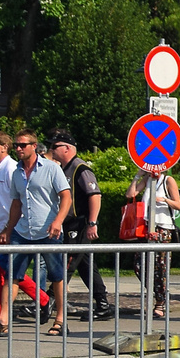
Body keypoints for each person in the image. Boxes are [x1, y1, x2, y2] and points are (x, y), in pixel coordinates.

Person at [1, 130, 71, 336]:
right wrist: (8, 228)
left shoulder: (51, 168)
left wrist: (58, 221)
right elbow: (16, 203)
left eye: (23, 145)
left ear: (34, 146)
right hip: (23, 231)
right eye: (16, 145)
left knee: (57, 276)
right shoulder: (17, 172)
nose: (19, 149)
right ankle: (2, 319)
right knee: (11, 275)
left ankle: (60, 319)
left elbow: (66, 197)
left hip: (49, 231)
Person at [0, 132, 48, 334]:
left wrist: (8, 228)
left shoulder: (11, 169)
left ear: (4, 147)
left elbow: (17, 203)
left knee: (8, 272)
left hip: (7, 230)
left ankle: (0, 317)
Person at [47, 130, 113, 321]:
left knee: (67, 262)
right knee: (86, 266)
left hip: (80, 223)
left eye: (54, 147)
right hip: (71, 224)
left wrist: (92, 223)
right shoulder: (64, 168)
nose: (51, 150)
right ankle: (102, 306)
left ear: (67, 148)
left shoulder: (80, 168)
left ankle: (46, 302)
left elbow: (95, 195)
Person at [124, 169, 180, 319]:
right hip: (146, 227)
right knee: (139, 265)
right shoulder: (148, 180)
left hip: (163, 228)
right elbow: (130, 194)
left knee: (160, 267)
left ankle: (160, 302)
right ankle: (157, 293)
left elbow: (178, 204)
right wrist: (138, 176)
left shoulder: (168, 180)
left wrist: (164, 200)